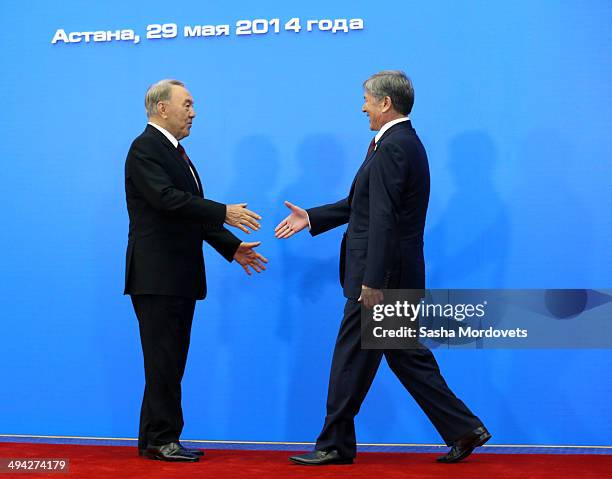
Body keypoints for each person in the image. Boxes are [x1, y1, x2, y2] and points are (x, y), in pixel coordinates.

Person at [275, 71, 490, 465]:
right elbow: (362, 204)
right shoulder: (397, 143)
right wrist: (311, 217)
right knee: (405, 356)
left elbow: (384, 219)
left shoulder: (393, 147)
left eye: (367, 100)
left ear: (385, 103)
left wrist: (372, 281)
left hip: (380, 280)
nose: (363, 107)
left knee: (349, 359)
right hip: (397, 274)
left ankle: (334, 445)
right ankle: (463, 428)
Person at [125, 79, 267, 462]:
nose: (193, 112)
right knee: (164, 360)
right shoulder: (145, 149)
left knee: (168, 361)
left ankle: (153, 438)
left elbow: (190, 213)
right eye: (186, 104)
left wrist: (231, 246)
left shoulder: (177, 153)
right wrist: (224, 211)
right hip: (157, 277)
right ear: (161, 109)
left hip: (177, 277)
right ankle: (162, 439)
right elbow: (168, 200)